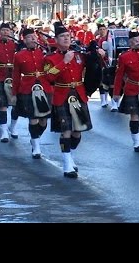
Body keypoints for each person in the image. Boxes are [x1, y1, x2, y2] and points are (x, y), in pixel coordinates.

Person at [44, 21, 104, 178]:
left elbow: (93, 66)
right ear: (56, 40)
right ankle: (67, 163)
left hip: (78, 94)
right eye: (62, 37)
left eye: (67, 36)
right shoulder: (50, 58)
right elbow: (49, 76)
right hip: (61, 94)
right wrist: (64, 62)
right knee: (66, 131)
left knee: (78, 132)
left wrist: (98, 54)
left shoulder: (79, 54)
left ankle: (70, 155)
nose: (66, 39)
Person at [11, 28, 53, 159]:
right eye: (29, 37)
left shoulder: (44, 52)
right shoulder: (18, 55)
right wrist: (14, 93)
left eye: (34, 37)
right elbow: (16, 76)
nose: (33, 39)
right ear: (24, 39)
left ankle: (36, 137)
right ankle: (36, 146)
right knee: (33, 118)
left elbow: (51, 68)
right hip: (27, 88)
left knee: (44, 120)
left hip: (44, 87)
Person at [0, 23, 20, 142]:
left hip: (12, 76)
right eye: (3, 30)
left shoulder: (14, 44)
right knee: (2, 104)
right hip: (0, 76)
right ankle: (4, 131)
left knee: (15, 103)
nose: (6, 32)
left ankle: (13, 127)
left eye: (8, 30)